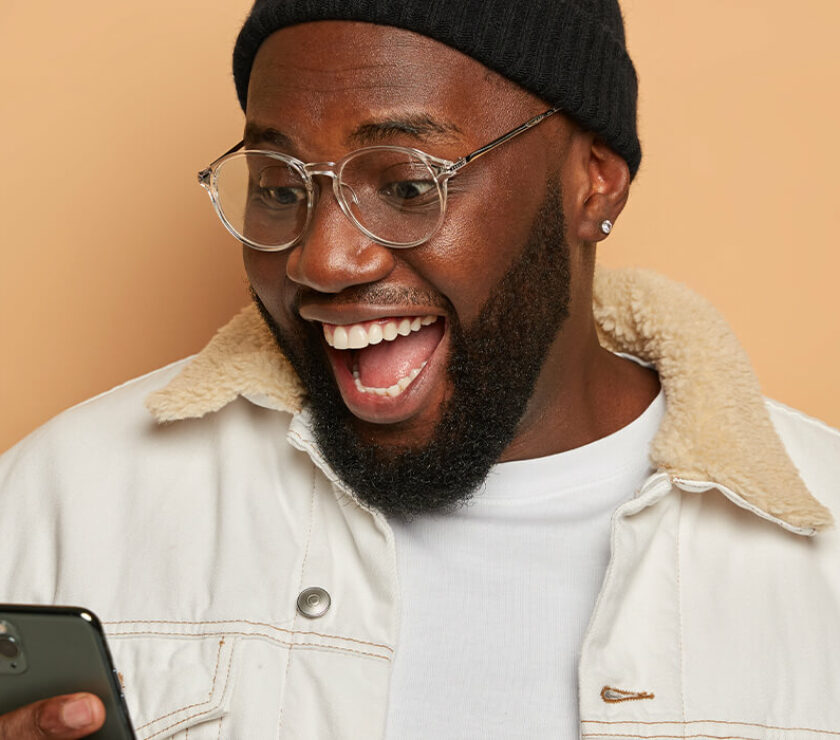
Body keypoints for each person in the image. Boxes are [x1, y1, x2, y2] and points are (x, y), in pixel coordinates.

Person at [0, 1, 838, 738]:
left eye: (405, 184)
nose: (321, 262)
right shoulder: (65, 501)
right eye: (281, 186)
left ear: (594, 182)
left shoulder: (819, 555)